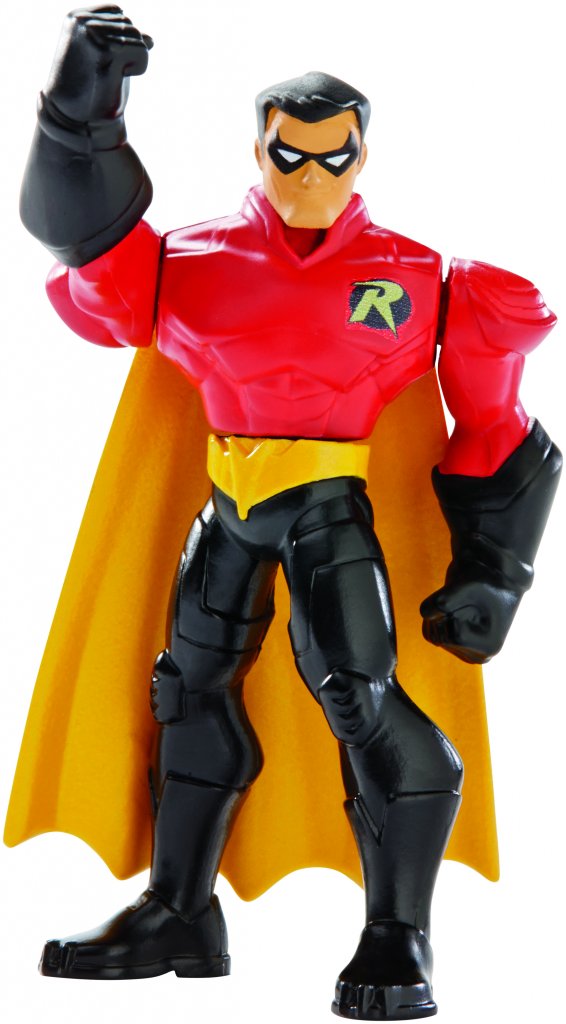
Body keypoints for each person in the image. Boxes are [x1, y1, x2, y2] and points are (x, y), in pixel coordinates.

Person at [7, 7, 561, 1021]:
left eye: (331, 157)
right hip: (229, 504)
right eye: (288, 155)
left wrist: (495, 571)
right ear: (258, 149)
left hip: (325, 511)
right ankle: (180, 907)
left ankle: (398, 932)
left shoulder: (418, 277)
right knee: (184, 691)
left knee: (359, 699)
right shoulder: (192, 260)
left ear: (361, 155)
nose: (309, 176)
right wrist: (80, 111)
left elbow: (493, 425)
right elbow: (84, 239)